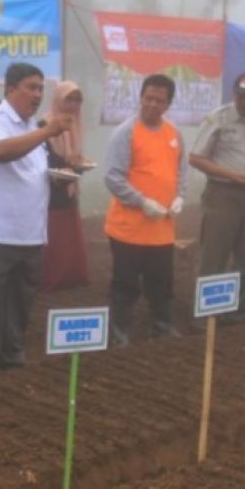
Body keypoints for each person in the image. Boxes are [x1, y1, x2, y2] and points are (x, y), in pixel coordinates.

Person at [0, 63, 71, 374]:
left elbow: (30, 171)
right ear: (11, 89)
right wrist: (47, 130)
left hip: (30, 233)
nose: (37, 94)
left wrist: (54, 176)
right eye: (31, 87)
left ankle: (12, 364)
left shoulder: (30, 127)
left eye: (40, 88)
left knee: (21, 307)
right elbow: (1, 152)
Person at [103, 74, 187, 347]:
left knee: (161, 284)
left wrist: (179, 197)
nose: (152, 104)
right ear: (140, 98)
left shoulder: (174, 134)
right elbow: (113, 178)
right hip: (128, 229)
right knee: (125, 285)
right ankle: (119, 334)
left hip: (162, 229)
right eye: (148, 98)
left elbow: (180, 171)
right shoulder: (126, 132)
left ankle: (161, 326)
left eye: (159, 100)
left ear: (168, 104)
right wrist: (141, 202)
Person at [189, 72, 245, 323]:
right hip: (222, 193)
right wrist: (230, 174)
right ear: (234, 94)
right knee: (214, 255)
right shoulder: (218, 119)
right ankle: (204, 316)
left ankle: (240, 312)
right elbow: (196, 158)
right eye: (240, 96)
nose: (244, 102)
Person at [41, 80, 91, 291]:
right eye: (68, 99)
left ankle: (71, 276)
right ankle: (51, 278)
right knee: (54, 235)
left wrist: (77, 164)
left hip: (68, 186)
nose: (73, 105)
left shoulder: (75, 125)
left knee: (70, 236)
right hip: (49, 190)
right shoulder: (44, 125)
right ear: (57, 100)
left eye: (77, 100)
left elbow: (74, 158)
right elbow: (44, 159)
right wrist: (67, 165)